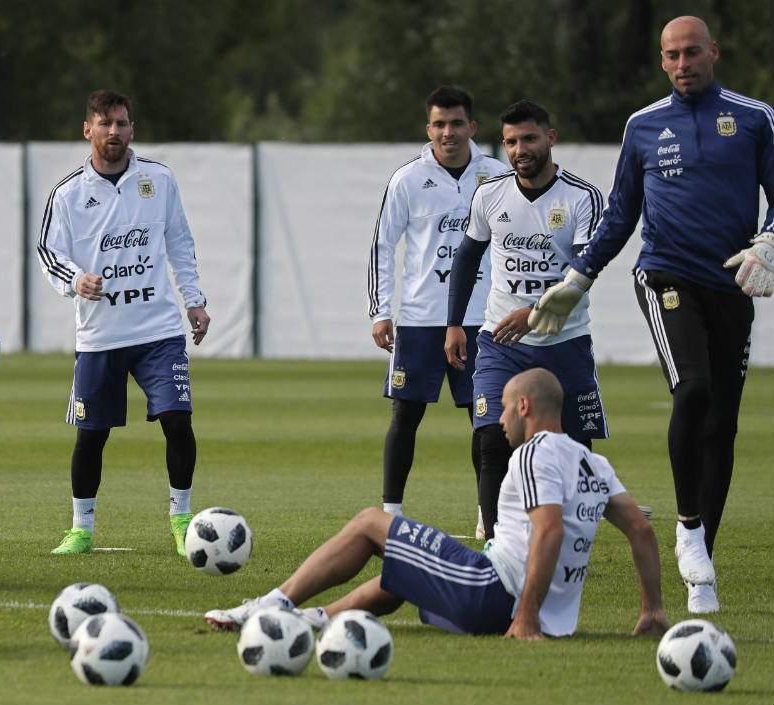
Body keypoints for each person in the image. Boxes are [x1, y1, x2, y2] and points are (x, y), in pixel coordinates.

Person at [529, 16, 773, 615]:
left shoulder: (754, 118)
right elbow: (620, 214)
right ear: (661, 61)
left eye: (693, 52)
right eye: (672, 55)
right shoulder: (642, 126)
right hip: (664, 274)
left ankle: (701, 561)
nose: (683, 63)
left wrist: (769, 242)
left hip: (732, 280)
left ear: (714, 51)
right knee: (691, 392)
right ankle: (687, 526)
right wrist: (577, 276)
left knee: (723, 423)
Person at [204, 369, 668, 641]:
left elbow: (548, 531)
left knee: (371, 522)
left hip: (495, 596)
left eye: (505, 408)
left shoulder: (534, 453)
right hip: (522, 606)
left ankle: (269, 605)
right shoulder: (593, 463)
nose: (500, 419)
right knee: (405, 569)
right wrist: (651, 610)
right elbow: (641, 531)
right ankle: (313, 621)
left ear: (524, 406)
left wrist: (526, 617)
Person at [36, 89, 210, 556]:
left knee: (177, 419)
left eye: (122, 123)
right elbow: (48, 253)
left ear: (132, 129)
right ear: (87, 129)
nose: (115, 132)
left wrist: (194, 301)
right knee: (91, 435)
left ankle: (181, 518)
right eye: (105, 123)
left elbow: (179, 242)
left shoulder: (159, 179)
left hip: (158, 331)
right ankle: (81, 529)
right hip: (100, 336)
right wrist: (76, 280)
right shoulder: (68, 193)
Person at [444, 100, 608, 541]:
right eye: (512, 141)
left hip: (564, 341)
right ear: (503, 145)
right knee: (492, 437)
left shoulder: (582, 197)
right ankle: (498, 541)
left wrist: (535, 313)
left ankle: (575, 534)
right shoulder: (489, 194)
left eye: (530, 138)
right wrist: (454, 323)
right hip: (500, 339)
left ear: (550, 138)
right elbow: (466, 256)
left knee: (573, 446)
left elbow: (586, 271)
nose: (521, 149)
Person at [366, 86, 505, 536]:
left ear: (473, 127)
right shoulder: (407, 179)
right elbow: (383, 245)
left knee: (486, 421)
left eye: (457, 123)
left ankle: (490, 515)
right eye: (440, 124)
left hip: (484, 316)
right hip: (420, 319)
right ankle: (391, 513)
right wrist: (380, 311)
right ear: (428, 129)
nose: (448, 132)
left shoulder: (497, 176)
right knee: (405, 416)